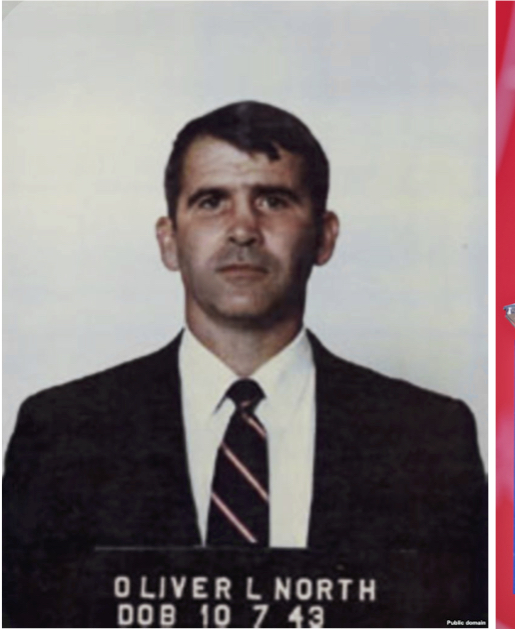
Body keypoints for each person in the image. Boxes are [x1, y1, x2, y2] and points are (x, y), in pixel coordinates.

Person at [2, 101, 487, 626]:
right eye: (211, 201)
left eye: (273, 200)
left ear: (324, 236)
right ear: (169, 240)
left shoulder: (428, 436)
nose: (242, 230)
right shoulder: (61, 433)